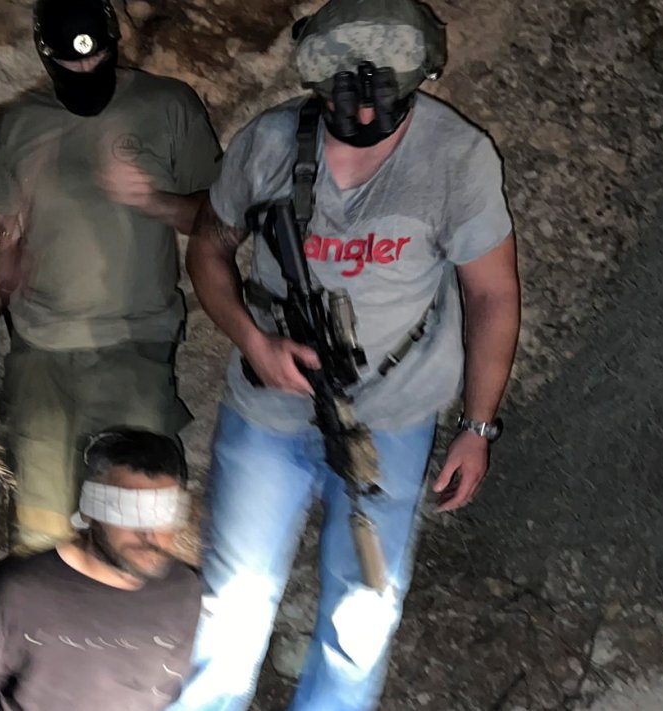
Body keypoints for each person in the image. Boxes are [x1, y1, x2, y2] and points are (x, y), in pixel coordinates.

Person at [171, 1, 521, 709]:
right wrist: (252, 340)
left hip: (391, 417)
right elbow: (209, 248)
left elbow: (492, 297)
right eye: (342, 99)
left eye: (381, 99)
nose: (361, 118)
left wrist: (477, 427)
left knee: (361, 617)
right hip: (267, 415)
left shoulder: (456, 156)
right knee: (229, 610)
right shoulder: (269, 143)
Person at [0, 0, 222, 555]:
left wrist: (152, 200)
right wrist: (1, 236)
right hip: (42, 354)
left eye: (99, 59)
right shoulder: (23, 122)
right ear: (47, 57)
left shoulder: (167, 106)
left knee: (138, 526)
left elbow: (218, 220)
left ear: (113, 41)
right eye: (71, 65)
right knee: (41, 535)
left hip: (133, 347)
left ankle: (131, 635)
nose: (87, 72)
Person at [0, 427, 202, 711]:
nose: (149, 534)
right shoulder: (16, 592)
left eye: (164, 513)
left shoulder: (184, 592)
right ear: (89, 509)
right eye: (128, 511)